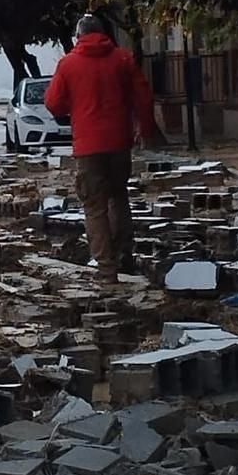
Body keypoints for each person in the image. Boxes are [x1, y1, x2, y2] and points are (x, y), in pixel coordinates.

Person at [45, 15, 157, 283]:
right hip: (120, 142)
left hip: (88, 146)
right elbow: (143, 95)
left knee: (94, 207)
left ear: (78, 36)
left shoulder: (68, 63)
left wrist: (74, 107)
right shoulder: (123, 59)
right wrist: (146, 128)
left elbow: (53, 103)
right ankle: (124, 256)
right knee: (119, 197)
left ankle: (107, 270)